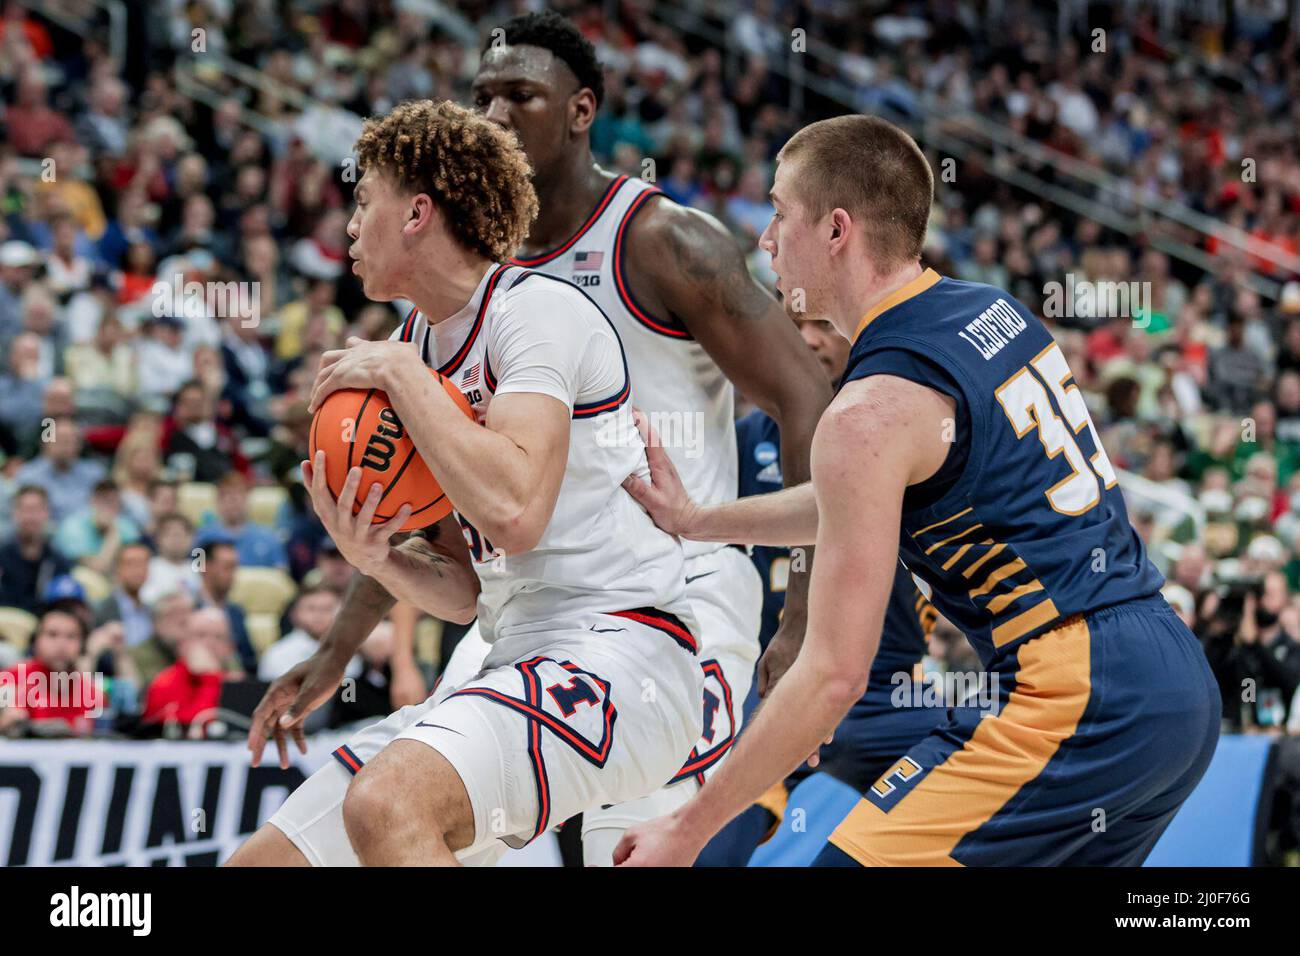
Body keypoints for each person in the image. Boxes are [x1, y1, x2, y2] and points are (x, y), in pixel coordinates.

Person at [614, 115, 1221, 868]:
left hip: (1072, 694)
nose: (765, 240)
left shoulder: (870, 408)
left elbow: (835, 675)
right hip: (1170, 678)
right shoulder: (994, 312)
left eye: (778, 212)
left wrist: (686, 828)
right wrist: (700, 519)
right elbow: (860, 495)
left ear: (836, 229)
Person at [227, 100, 702, 867]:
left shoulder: (535, 312)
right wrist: (377, 556)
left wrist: (395, 370)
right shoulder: (416, 346)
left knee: (388, 804)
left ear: (417, 213)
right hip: (511, 650)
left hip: (624, 650)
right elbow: (464, 588)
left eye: (362, 202)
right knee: (266, 865)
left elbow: (515, 512)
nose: (349, 226)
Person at [428, 9, 830, 865]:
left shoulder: (661, 240)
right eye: (481, 97)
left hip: (682, 587)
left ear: (581, 111)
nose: (493, 117)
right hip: (535, 597)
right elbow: (441, 474)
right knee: (427, 820)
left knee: (634, 846)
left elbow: (807, 399)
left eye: (520, 96)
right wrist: (340, 647)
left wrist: (804, 609)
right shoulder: (472, 274)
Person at [696, 311, 955, 866]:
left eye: (823, 324)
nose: (809, 338)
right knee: (714, 849)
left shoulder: (906, 427)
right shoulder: (747, 441)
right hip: (776, 684)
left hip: (887, 694)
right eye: (793, 323)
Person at [0, 603, 104, 736]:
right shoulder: (8, 681)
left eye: (71, 636)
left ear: (82, 645)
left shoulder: (93, 695)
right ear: (35, 641)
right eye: (52, 634)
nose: (61, 645)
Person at [141, 606, 240, 732]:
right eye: (201, 635)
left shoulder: (236, 683)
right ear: (184, 642)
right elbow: (192, 729)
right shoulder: (164, 683)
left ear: (229, 648)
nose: (210, 643)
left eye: (219, 637)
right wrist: (209, 679)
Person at [0, 485, 72, 614]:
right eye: (25, 509)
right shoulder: (2, 557)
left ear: (47, 513)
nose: (31, 517)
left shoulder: (58, 562)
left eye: (36, 510)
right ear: (15, 513)